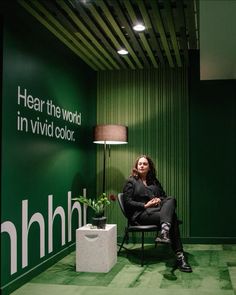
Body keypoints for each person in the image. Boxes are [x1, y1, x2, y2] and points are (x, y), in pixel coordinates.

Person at [122, 155, 192, 273]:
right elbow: (127, 202)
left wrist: (158, 200)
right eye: (140, 164)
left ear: (149, 167)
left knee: (171, 199)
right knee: (172, 218)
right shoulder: (131, 182)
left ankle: (164, 231)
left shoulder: (154, 181)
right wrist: (145, 205)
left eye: (145, 164)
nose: (142, 166)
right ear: (136, 166)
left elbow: (164, 196)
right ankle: (180, 256)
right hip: (141, 215)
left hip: (157, 211)